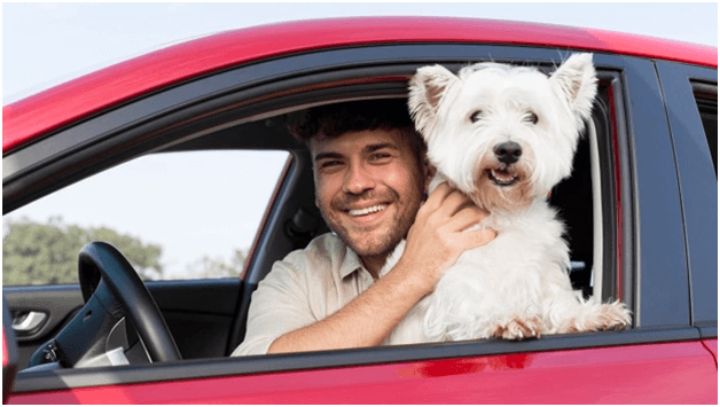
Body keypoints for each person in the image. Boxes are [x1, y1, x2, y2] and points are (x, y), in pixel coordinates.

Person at [232, 100, 496, 356]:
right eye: (332, 164)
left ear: (427, 170)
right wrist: (412, 274)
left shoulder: (489, 241)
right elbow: (254, 380)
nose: (356, 183)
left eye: (379, 157)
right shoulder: (298, 275)